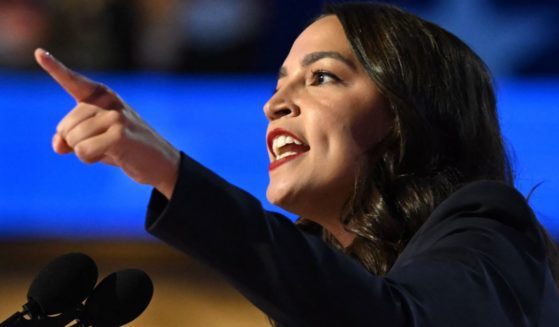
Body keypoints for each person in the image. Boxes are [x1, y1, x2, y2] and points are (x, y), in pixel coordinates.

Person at [35, 2, 559, 326]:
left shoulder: (488, 228)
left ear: (406, 115)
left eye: (322, 77)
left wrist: (173, 173)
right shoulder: (325, 285)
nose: (275, 104)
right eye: (279, 82)